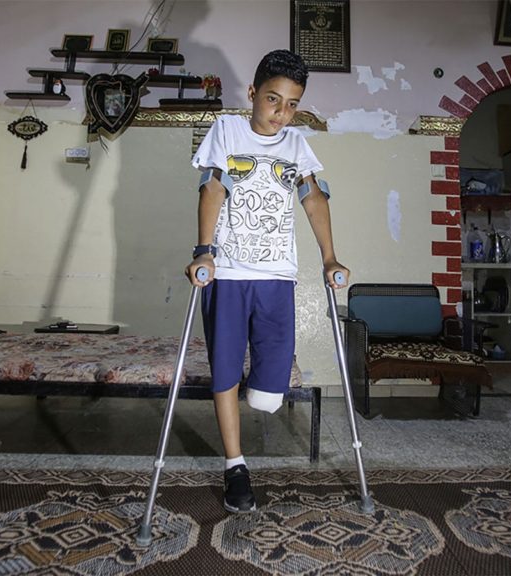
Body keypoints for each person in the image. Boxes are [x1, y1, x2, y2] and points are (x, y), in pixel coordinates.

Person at [186, 49, 349, 513]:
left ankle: (252, 417)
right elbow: (213, 187)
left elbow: (313, 198)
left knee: (268, 394)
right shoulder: (227, 131)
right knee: (224, 368)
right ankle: (235, 465)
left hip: (277, 275)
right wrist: (204, 250)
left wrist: (330, 257)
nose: (281, 113)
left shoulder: (296, 144)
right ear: (253, 93)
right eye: (273, 99)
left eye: (292, 104)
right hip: (229, 274)